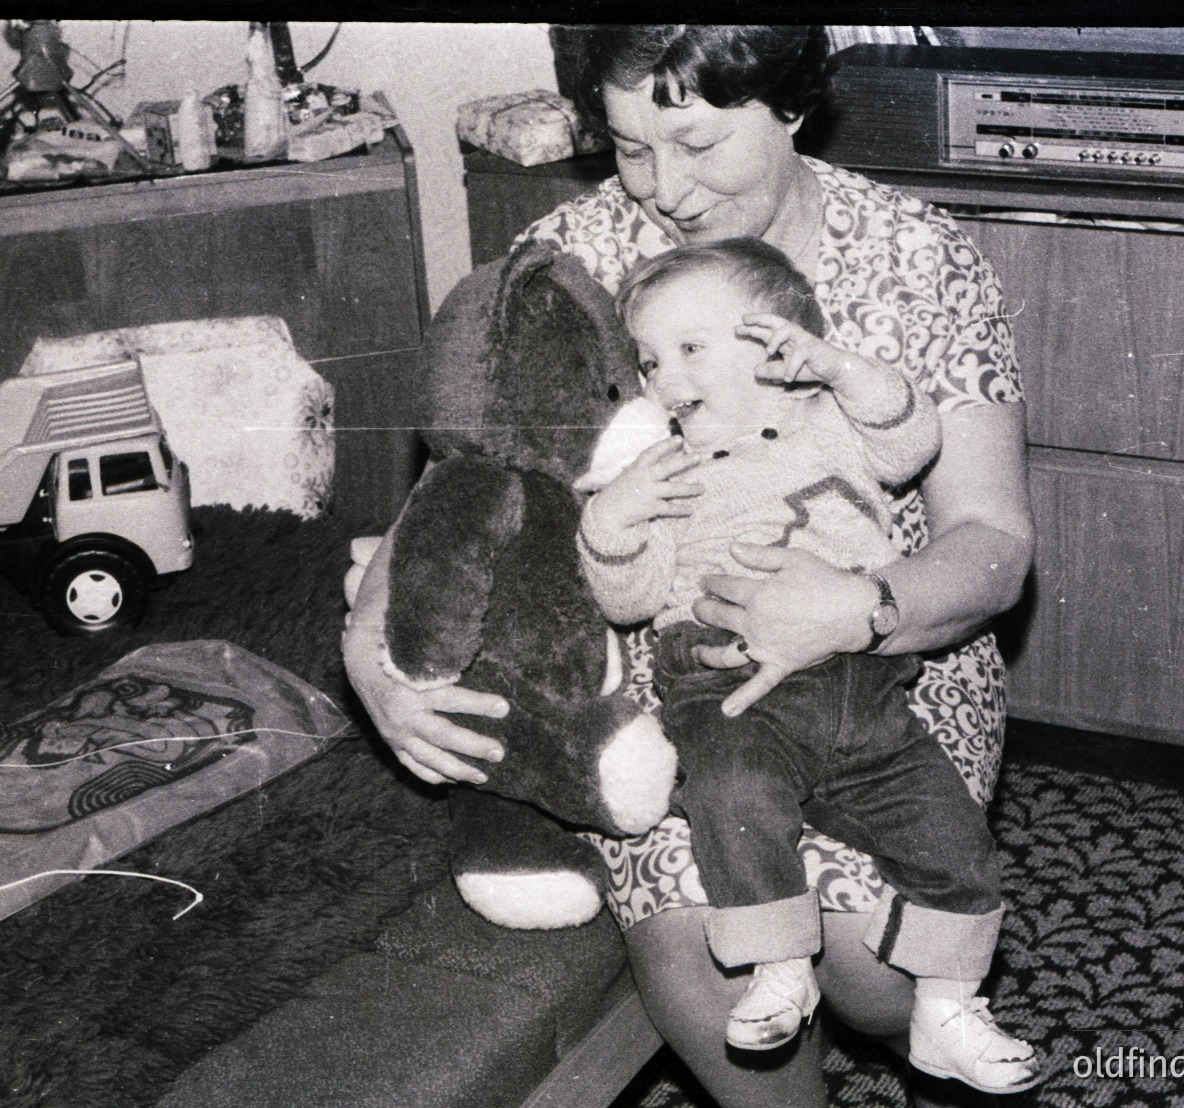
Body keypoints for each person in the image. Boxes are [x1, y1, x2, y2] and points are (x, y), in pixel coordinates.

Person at [343, 25, 1036, 1106]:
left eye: (699, 144)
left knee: (877, 971)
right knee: (705, 954)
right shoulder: (570, 255)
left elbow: (992, 542)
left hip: (896, 644)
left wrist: (856, 607)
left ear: (792, 105)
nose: (664, 189)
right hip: (663, 665)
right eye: (630, 148)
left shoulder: (917, 255)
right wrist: (368, 644)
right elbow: (468, 473)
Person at [575, 236, 1034, 1093]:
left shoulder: (833, 423)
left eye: (690, 347)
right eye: (649, 360)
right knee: (732, 795)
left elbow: (910, 443)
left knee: (945, 828)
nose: (664, 376)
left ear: (774, 345)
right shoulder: (665, 472)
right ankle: (778, 964)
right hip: (725, 677)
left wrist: (842, 370)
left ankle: (950, 1007)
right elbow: (629, 598)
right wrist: (613, 519)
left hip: (861, 679)